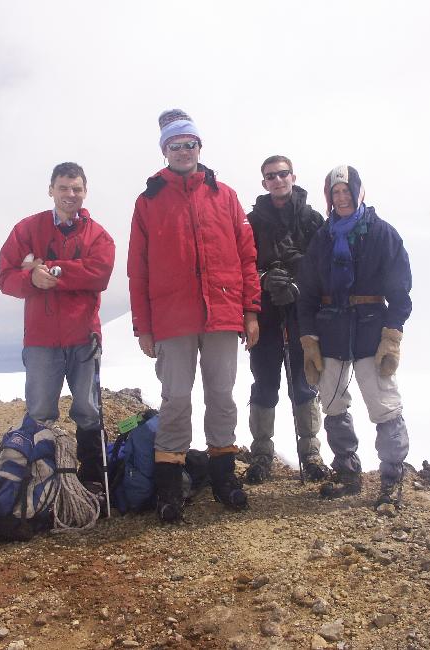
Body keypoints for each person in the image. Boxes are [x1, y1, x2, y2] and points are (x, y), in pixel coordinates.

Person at [127, 109, 261, 523]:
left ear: (199, 147)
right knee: (176, 400)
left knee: (222, 396)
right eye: (175, 146)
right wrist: (143, 327)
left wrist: (251, 311)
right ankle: (169, 487)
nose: (183, 151)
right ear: (165, 151)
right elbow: (138, 268)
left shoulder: (225, 195)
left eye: (190, 144)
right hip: (172, 321)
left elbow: (246, 256)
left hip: (221, 314)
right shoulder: (148, 201)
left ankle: (224, 478)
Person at [296, 165, 412, 507]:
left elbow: (400, 293)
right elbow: (308, 294)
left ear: (359, 192)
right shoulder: (323, 238)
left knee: (383, 404)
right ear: (329, 198)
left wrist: (392, 337)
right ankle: (347, 472)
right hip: (331, 329)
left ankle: (392, 478)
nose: (341, 197)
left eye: (347, 190)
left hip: (370, 329)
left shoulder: (381, 234)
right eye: (336, 193)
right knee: (332, 403)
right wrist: (309, 340)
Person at [0, 162, 115, 487]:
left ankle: (94, 482)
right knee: (39, 414)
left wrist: (46, 268)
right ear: (51, 190)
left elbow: (100, 274)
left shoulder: (98, 235)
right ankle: (41, 484)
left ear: (85, 192)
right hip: (41, 341)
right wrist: (31, 277)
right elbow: (5, 277)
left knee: (89, 411)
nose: (70, 194)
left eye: (76, 188)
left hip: (83, 338)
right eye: (63, 188)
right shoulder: (27, 229)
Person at [244, 155, 329, 484]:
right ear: (264, 183)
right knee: (264, 383)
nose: (277, 180)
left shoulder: (311, 219)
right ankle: (262, 455)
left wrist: (298, 282)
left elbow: (324, 266)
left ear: (293, 176)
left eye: (282, 174)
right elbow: (243, 265)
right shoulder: (251, 222)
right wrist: (264, 278)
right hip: (265, 314)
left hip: (303, 314)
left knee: (304, 381)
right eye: (270, 176)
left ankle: (310, 454)